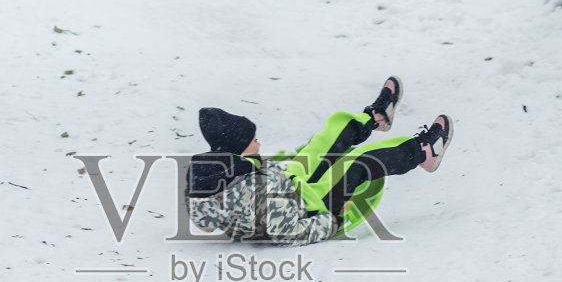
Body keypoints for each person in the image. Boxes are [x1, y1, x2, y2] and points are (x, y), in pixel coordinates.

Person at [185, 77, 453, 245]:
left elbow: (254, 187)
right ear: (239, 150)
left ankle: (376, 118)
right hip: (316, 210)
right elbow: (285, 231)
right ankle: (424, 153)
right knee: (360, 162)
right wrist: (330, 222)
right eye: (254, 141)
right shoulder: (254, 199)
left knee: (322, 143)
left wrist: (274, 169)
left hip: (291, 189)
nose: (259, 143)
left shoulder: (224, 172)